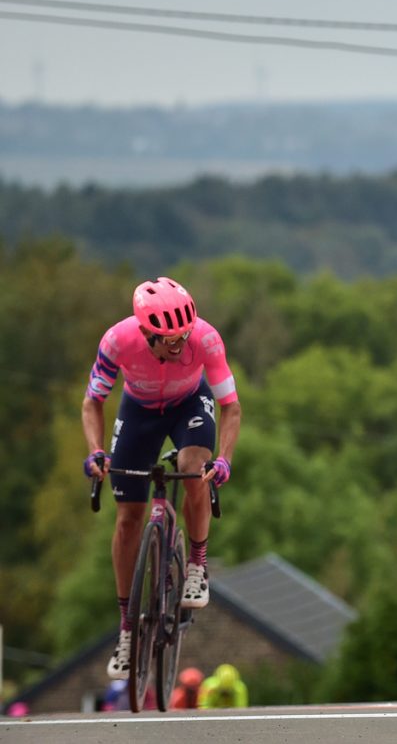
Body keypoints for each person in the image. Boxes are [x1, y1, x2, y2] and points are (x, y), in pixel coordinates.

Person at [82, 277, 242, 681]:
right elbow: (92, 402)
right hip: (138, 411)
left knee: (194, 469)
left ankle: (197, 564)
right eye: (169, 340)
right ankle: (127, 628)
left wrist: (223, 460)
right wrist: (96, 451)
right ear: (145, 331)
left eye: (182, 336)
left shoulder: (205, 340)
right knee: (128, 519)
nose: (179, 345)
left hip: (189, 403)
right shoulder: (117, 341)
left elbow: (231, 408)